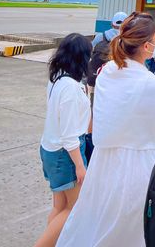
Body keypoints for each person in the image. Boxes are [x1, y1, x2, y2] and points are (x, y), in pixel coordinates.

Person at [57, 12, 155, 247]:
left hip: (103, 162)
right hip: (138, 166)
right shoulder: (151, 85)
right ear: (147, 46)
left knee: (95, 224)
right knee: (131, 233)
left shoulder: (107, 72)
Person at [35, 34, 92, 247]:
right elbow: (69, 135)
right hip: (65, 154)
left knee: (60, 207)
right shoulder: (70, 88)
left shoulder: (57, 77)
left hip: (51, 149)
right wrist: (80, 166)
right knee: (74, 208)